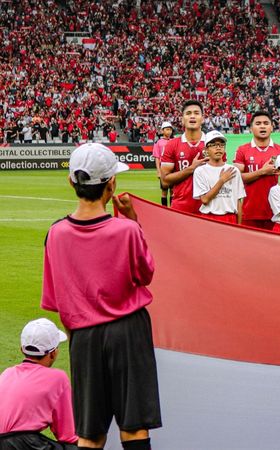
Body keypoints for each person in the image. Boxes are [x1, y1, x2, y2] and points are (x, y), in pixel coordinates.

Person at [42, 143, 160, 450]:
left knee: (90, 433)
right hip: (128, 331)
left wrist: (79, 337)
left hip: (84, 335)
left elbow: (58, 300)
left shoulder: (55, 234)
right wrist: (133, 220)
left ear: (72, 182)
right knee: (134, 427)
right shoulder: (126, 230)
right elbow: (145, 274)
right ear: (112, 184)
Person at [0, 319, 77, 450]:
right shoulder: (58, 378)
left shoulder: (7, 373)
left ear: (22, 349)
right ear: (53, 353)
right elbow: (67, 436)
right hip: (24, 443)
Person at [234, 111, 280, 230]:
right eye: (258, 123)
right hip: (249, 211)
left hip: (276, 211)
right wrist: (262, 172)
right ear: (251, 128)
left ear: (272, 127)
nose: (262, 126)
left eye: (266, 123)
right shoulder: (242, 150)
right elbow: (237, 178)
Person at [161, 100, 208, 214]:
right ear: (182, 119)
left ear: (202, 118)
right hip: (181, 207)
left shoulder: (212, 143)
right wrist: (191, 169)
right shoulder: (172, 145)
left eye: (196, 113)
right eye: (188, 113)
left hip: (209, 207)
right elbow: (165, 180)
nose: (192, 116)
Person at [192, 131, 246, 224]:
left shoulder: (233, 170)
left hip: (230, 218)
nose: (218, 148)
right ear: (206, 149)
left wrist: (240, 227)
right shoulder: (200, 171)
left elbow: (238, 202)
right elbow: (205, 200)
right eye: (214, 145)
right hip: (209, 218)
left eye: (221, 145)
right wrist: (222, 180)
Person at [152, 122, 174, 207]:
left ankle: (172, 209)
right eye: (167, 129)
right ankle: (164, 209)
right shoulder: (158, 142)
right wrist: (158, 171)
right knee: (164, 191)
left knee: (173, 191)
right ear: (162, 131)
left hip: (173, 169)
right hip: (163, 170)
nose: (169, 132)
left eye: (170, 130)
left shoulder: (174, 141)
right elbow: (157, 157)